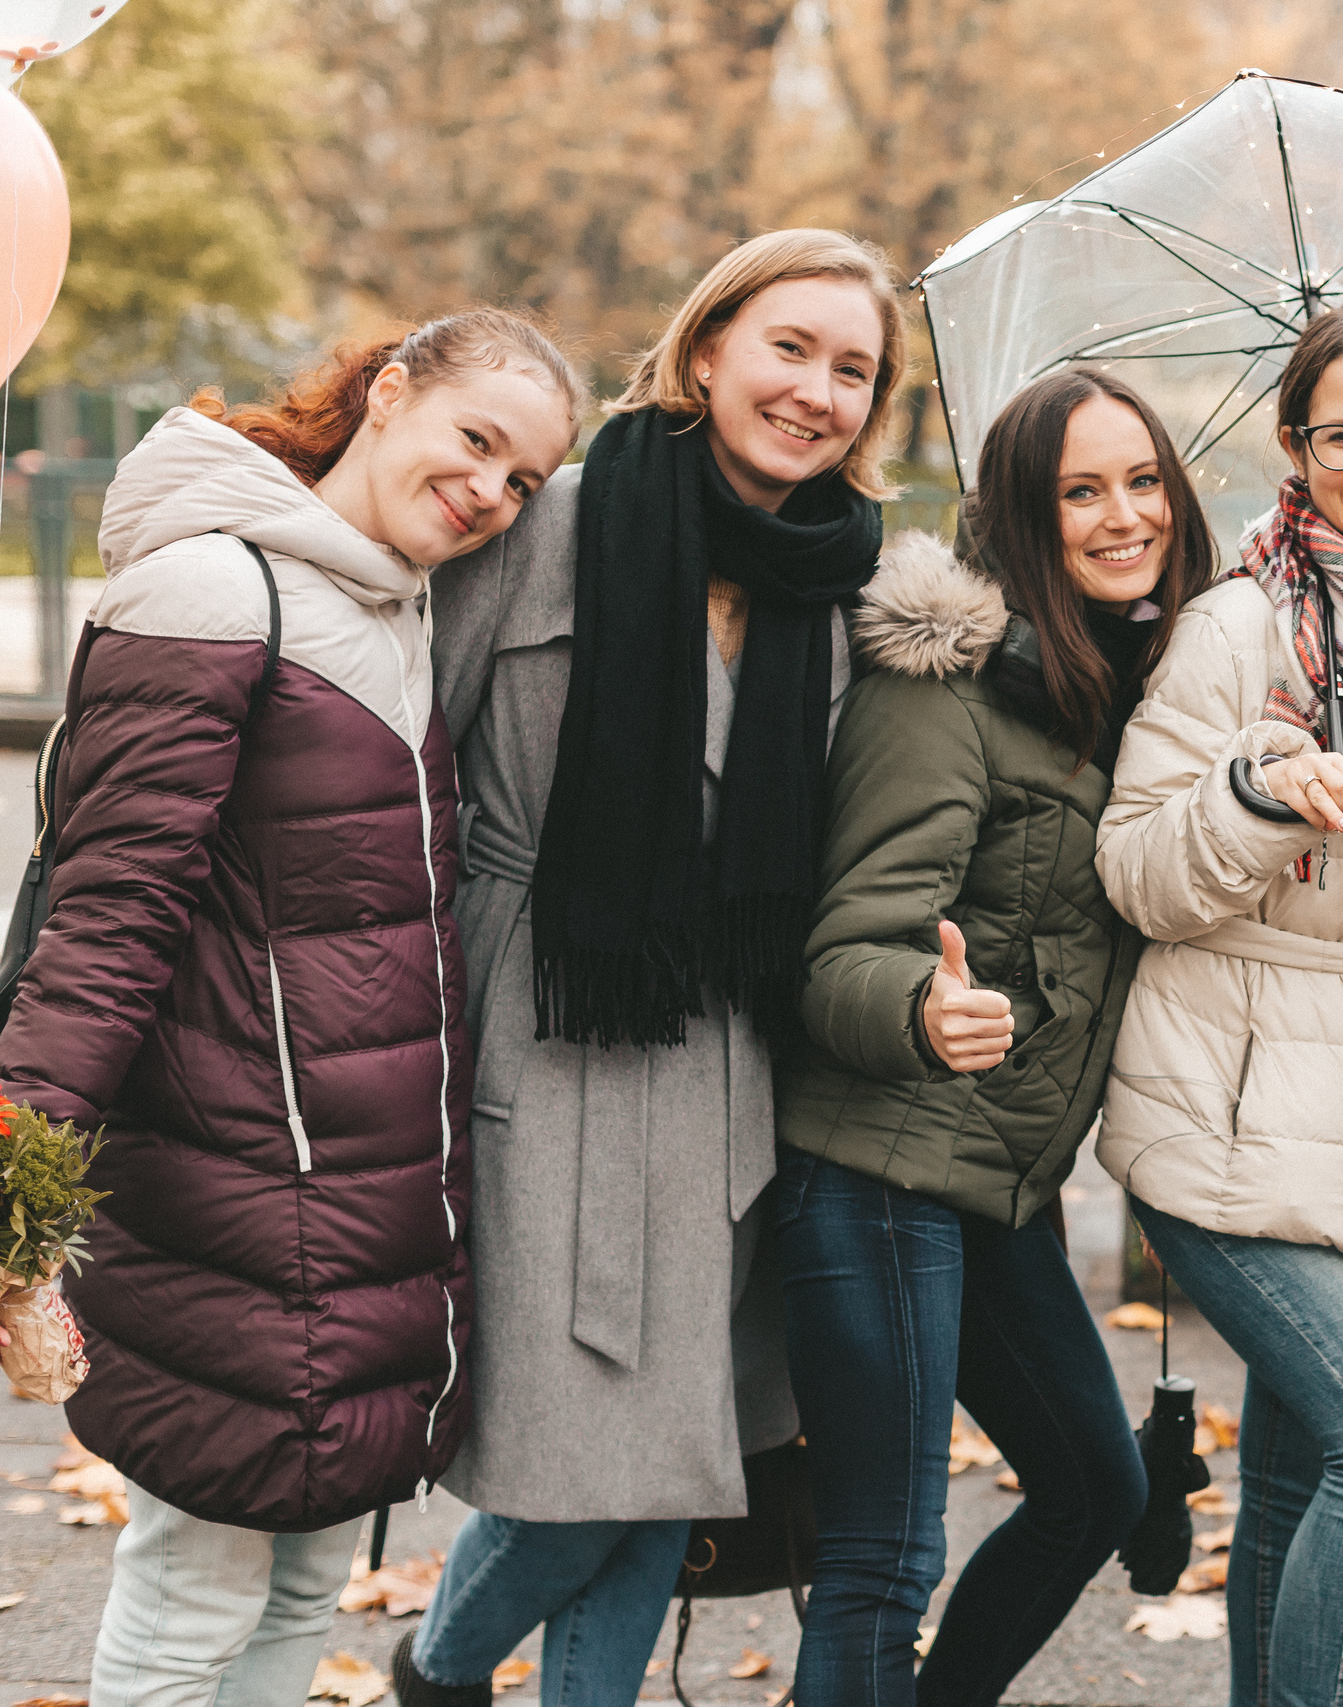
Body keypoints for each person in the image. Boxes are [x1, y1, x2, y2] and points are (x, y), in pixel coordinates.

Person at [0, 312, 578, 1707]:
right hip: (239, 1202)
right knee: (196, 1585)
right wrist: (16, 1186)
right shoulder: (213, 590)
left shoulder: (393, 602)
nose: (491, 491)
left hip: (361, 1210)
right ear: (389, 394)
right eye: (477, 440)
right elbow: (109, 924)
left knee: (304, 1580)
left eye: (523, 479)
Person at [398, 230, 904, 1707]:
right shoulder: (545, 519)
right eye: (789, 347)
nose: (815, 390)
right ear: (706, 350)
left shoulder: (845, 586)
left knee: (665, 1482)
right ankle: (435, 1672)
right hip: (545, 1030)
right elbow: (412, 755)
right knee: (582, 1480)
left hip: (727, 1073)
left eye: (852, 369)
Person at [770, 367, 1208, 1705]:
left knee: (1093, 1485)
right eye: (1081, 490)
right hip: (875, 1171)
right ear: (1021, 516)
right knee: (884, 1557)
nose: (1123, 514)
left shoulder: (1125, 692)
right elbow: (844, 946)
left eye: (1143, 481)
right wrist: (920, 1004)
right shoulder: (945, 688)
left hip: (994, 1183)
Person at [1094, 297, 1343, 1707]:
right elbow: (1137, 873)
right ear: (1291, 444)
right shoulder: (1237, 629)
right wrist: (1257, 793)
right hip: (1221, 1125)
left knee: (1296, 1483)